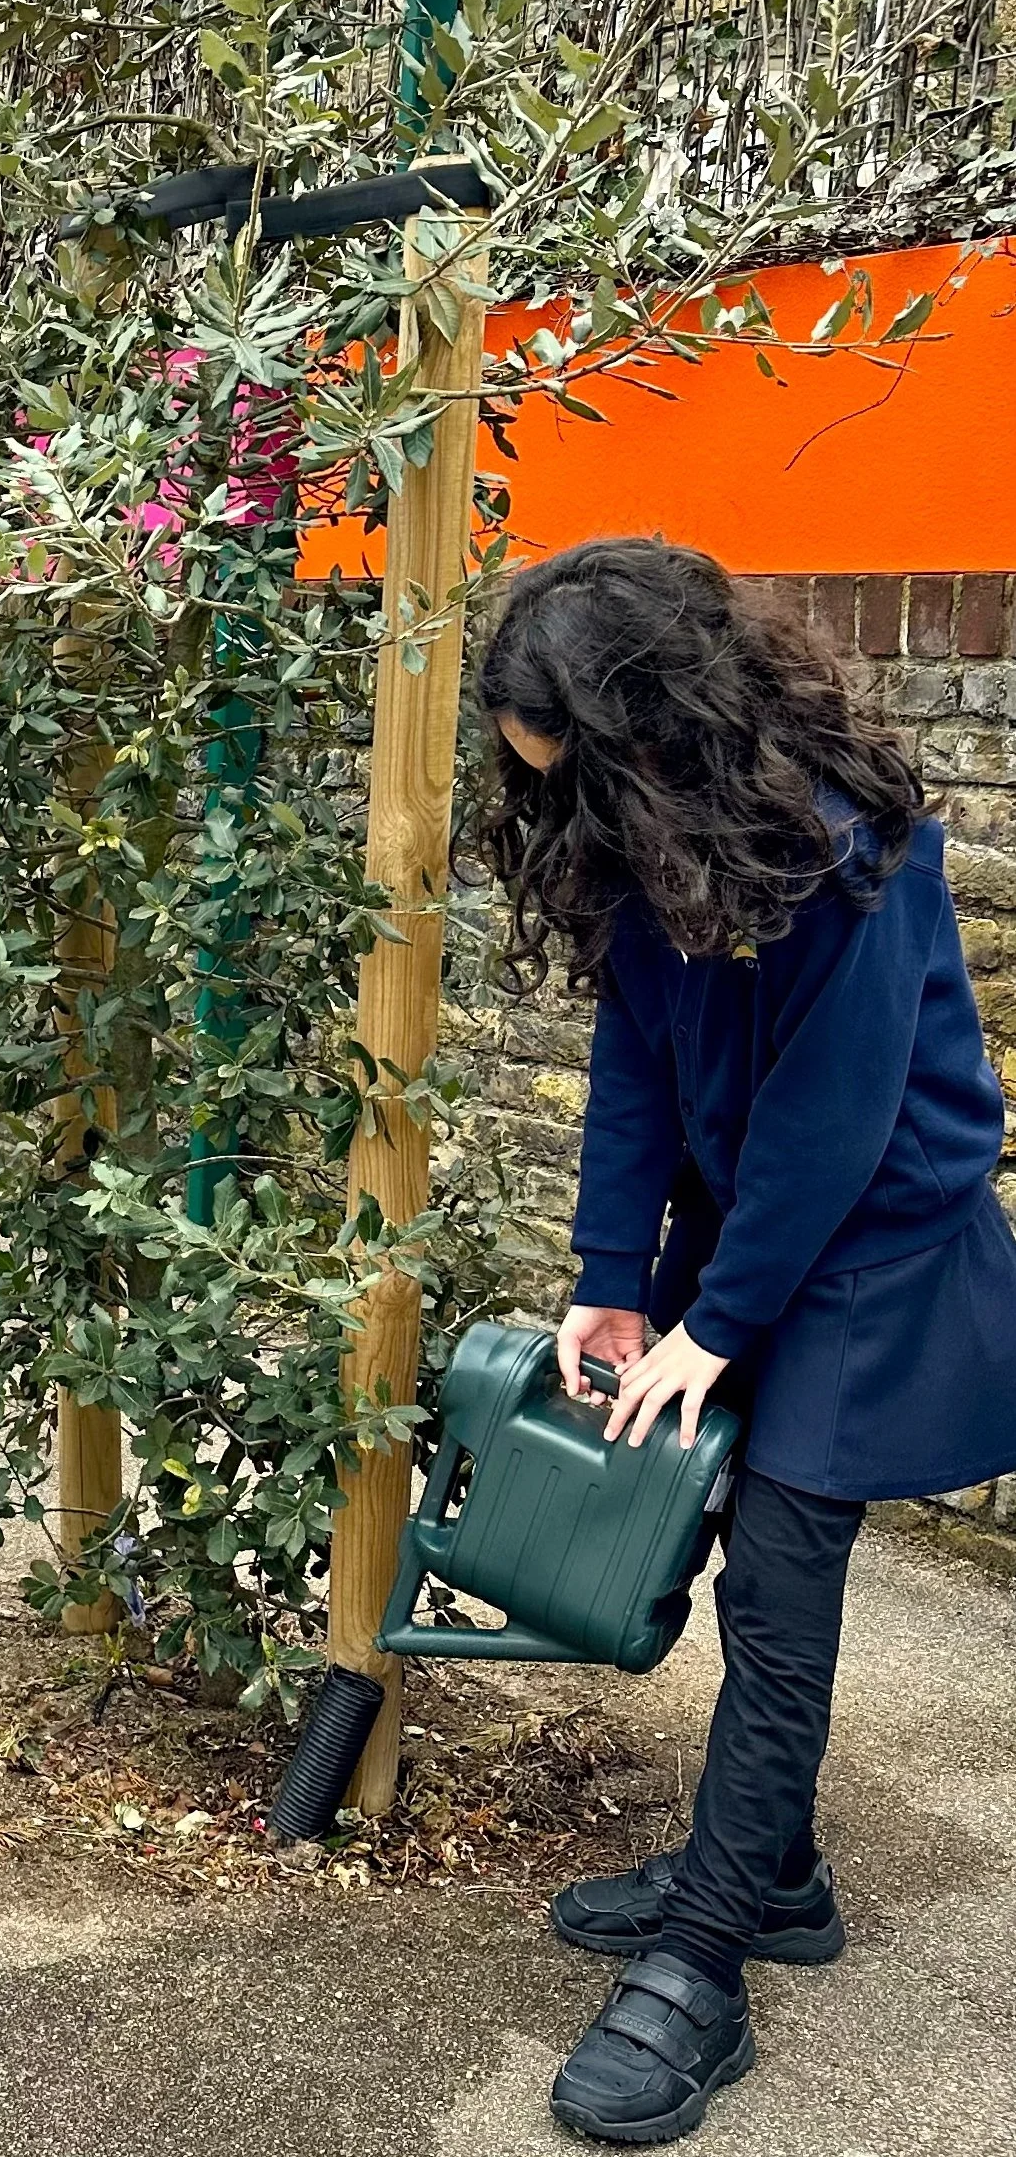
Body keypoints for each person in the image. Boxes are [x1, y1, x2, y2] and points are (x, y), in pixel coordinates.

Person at [476, 537, 1016, 2146]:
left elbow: (830, 1123)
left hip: (871, 1257)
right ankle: (767, 1874)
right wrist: (609, 1276)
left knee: (778, 1593)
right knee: (703, 1534)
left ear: (659, 724)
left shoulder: (852, 848)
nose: (560, 809)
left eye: (574, 771)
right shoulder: (645, 835)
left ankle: (702, 1967)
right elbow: (637, 1058)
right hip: (751, 1231)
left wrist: (715, 1321)